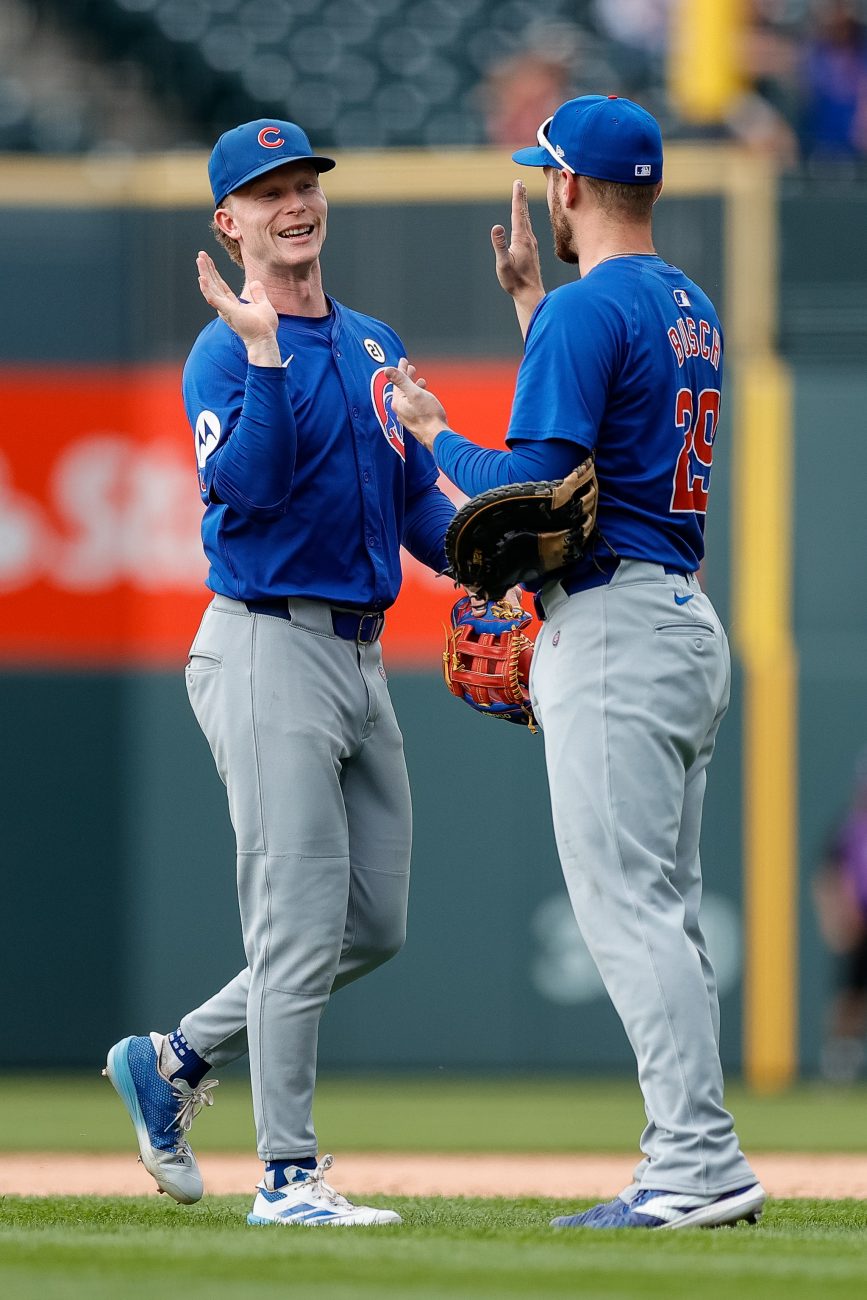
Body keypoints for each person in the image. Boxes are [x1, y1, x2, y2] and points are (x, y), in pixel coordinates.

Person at [387, 95, 766, 1231]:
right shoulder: (683, 301)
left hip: (614, 627)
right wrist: (528, 309)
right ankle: (698, 1157)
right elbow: (613, 428)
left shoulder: (589, 313)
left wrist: (427, 424)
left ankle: (695, 1163)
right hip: (683, 619)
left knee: (628, 914)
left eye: (544, 177)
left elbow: (533, 490)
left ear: (567, 190)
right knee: (668, 912)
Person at [104, 118, 455, 1227]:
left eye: (304, 184)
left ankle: (175, 1058)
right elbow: (246, 494)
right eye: (267, 193)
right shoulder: (223, 349)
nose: (294, 204)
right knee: (296, 922)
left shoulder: (372, 343)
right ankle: (289, 1177)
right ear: (230, 221)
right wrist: (259, 351)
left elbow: (415, 513)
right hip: (265, 642)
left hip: (360, 653)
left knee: (376, 921)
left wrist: (499, 560)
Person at [812, 751, 867, 1082]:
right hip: (857, 924)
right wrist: (833, 920)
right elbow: (826, 876)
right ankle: (839, 1066)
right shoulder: (850, 829)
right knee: (848, 997)